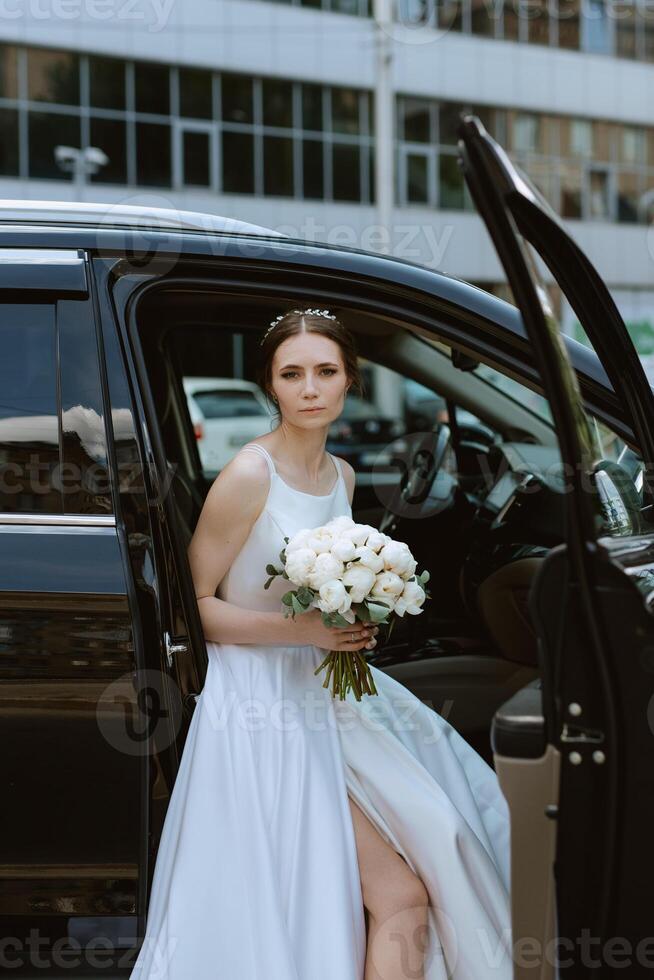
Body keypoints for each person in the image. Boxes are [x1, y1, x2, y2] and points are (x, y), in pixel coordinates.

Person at [129, 308, 513, 980]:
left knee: (445, 834)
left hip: (327, 695)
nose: (310, 388)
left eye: (325, 372)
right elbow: (189, 607)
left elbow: (325, 595)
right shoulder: (249, 475)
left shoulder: (343, 476)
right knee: (398, 895)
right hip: (259, 708)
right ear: (271, 386)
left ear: (349, 382)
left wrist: (354, 621)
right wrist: (300, 631)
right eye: (291, 374)